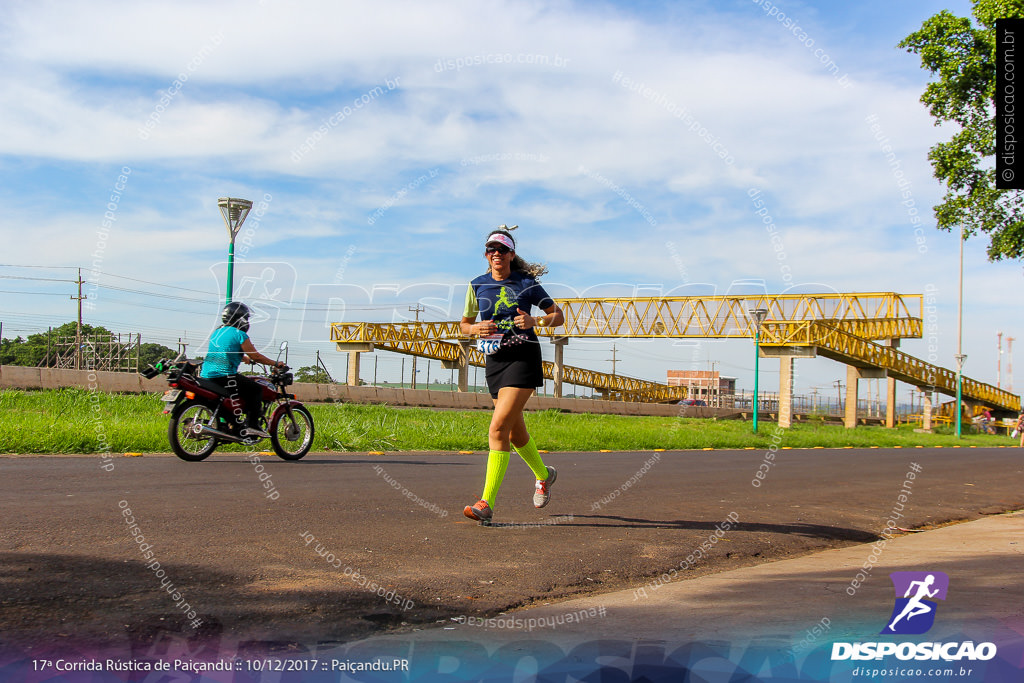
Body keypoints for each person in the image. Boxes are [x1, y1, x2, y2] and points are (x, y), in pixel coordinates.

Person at [460, 225, 565, 524]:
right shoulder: (476, 285)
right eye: (491, 249)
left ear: (511, 254)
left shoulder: (527, 283)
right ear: (486, 255)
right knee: (516, 432)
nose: (496, 254)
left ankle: (486, 503)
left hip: (523, 358)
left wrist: (536, 320)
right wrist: (475, 329)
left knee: (497, 428)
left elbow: (558, 316)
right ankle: (544, 475)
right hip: (494, 361)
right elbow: (464, 325)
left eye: (502, 250)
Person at [199, 301, 286, 438]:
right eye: (245, 318)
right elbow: (256, 356)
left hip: (206, 376)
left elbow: (225, 351)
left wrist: (243, 358)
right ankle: (252, 426)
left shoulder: (217, 332)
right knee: (256, 389)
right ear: (240, 318)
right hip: (225, 376)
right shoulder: (240, 334)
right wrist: (275, 363)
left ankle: (233, 424)